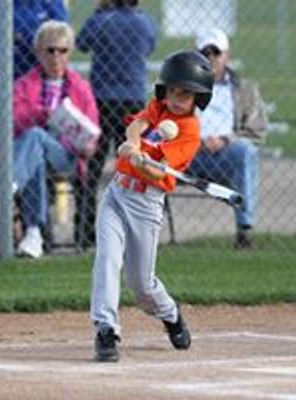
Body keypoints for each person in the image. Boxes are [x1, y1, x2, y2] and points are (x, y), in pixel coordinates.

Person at [90, 50, 214, 362]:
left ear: (198, 98)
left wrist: (144, 164)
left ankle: (171, 314)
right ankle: (106, 330)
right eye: (172, 90)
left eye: (185, 93)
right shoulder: (159, 108)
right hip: (117, 193)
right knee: (107, 258)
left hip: (146, 203)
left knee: (141, 286)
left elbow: (159, 175)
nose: (175, 98)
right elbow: (137, 124)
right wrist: (133, 145)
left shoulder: (190, 132)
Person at [0, 20, 100, 258]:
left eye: (62, 50)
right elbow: (10, 121)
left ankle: (6, 190)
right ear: (38, 52)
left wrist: (86, 143)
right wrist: (42, 113)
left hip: (66, 155)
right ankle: (34, 234)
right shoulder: (23, 85)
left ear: (69, 52)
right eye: (49, 50)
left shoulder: (81, 87)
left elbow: (92, 130)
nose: (55, 56)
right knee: (35, 150)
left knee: (35, 138)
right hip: (30, 155)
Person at [75, 0, 157, 248]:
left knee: (93, 167)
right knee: (133, 166)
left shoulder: (102, 20)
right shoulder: (144, 22)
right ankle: (135, 229)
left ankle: (85, 231)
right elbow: (150, 46)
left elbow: (81, 43)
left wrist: (100, 12)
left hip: (101, 101)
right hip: (132, 102)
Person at [188, 28, 268, 249]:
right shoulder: (182, 87)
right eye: (205, 52)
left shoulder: (244, 89)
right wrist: (195, 140)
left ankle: (244, 231)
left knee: (246, 152)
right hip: (189, 154)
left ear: (227, 56)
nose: (211, 58)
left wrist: (225, 139)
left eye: (216, 52)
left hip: (227, 154)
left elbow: (257, 128)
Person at [0, 0, 69, 79]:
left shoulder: (51, 3)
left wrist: (22, 39)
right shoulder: (6, 5)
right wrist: (38, 38)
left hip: (46, 72)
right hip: (13, 72)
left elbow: (60, 39)